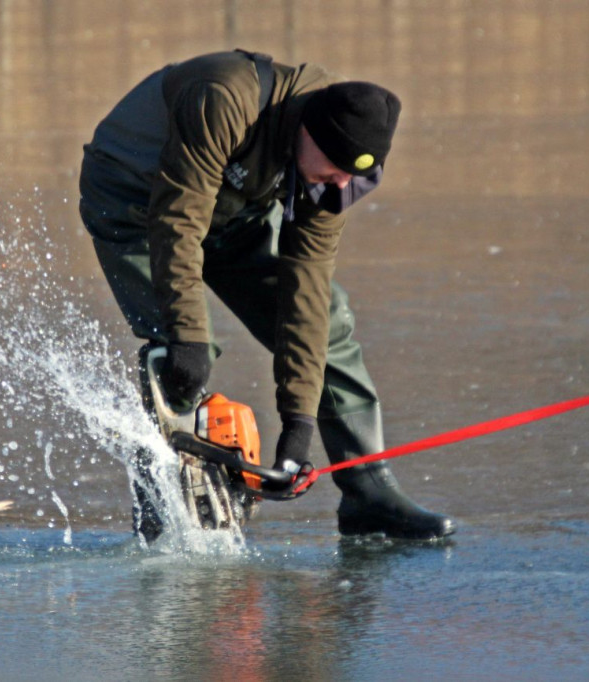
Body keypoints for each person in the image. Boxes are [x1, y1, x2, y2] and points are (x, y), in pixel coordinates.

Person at [79, 49, 454, 540]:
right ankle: (160, 508)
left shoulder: (336, 162)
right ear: (306, 132)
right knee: (181, 352)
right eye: (332, 172)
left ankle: (367, 490)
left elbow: (306, 288)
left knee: (330, 320)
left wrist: (297, 430)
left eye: (353, 178)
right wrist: (189, 336)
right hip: (136, 200)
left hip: (234, 211)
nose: (340, 185)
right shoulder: (225, 99)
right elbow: (178, 223)